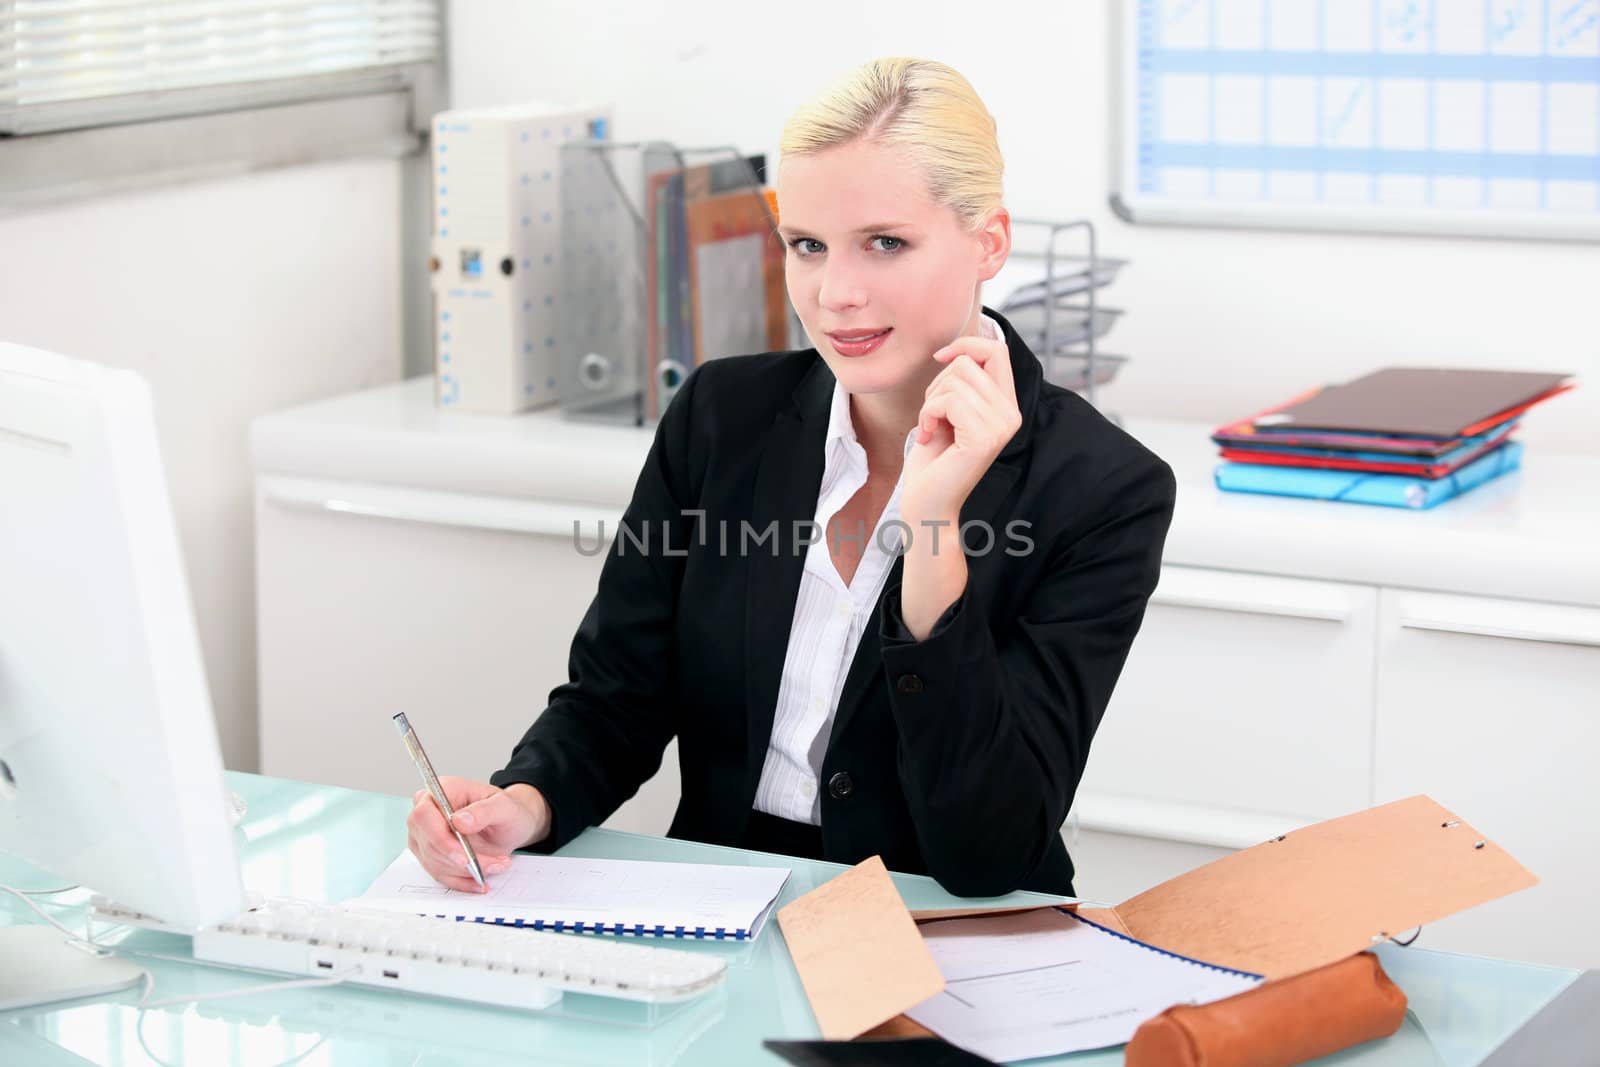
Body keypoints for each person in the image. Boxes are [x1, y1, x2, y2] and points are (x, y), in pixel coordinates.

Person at [406, 57, 1176, 898]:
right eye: (806, 245)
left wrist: (930, 522)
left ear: (988, 242)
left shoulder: (1103, 490)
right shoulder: (719, 416)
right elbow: (617, 696)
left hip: (949, 927)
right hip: (725, 903)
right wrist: (526, 801)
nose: (835, 292)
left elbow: (988, 847)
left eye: (885, 243)